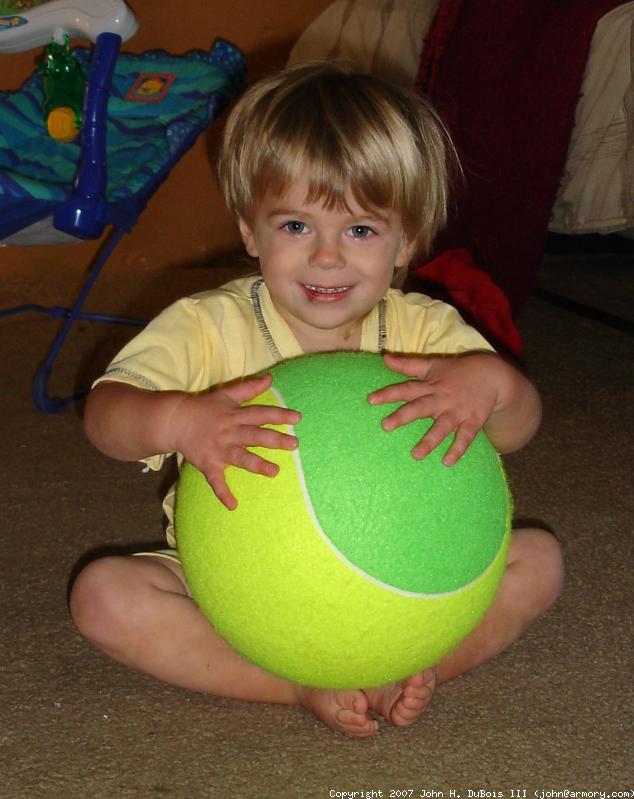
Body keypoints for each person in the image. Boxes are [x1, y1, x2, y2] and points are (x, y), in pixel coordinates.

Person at [70, 62, 564, 737]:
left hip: (409, 575)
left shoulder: (427, 336)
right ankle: (290, 683)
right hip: (237, 586)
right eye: (297, 226)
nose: (327, 258)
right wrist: (180, 418)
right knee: (103, 598)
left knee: (540, 561)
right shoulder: (207, 327)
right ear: (250, 230)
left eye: (360, 230)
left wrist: (494, 386)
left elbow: (517, 427)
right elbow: (105, 416)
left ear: (407, 241)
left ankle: (416, 661)